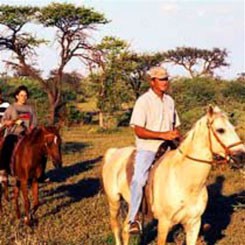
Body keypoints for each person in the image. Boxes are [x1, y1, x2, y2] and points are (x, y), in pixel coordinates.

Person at [128, 66, 181, 233]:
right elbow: (138, 130)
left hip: (169, 147)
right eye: (161, 79)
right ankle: (133, 219)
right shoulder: (143, 101)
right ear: (152, 82)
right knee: (139, 179)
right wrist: (162, 135)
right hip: (148, 148)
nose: (165, 82)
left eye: (166, 79)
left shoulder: (170, 101)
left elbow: (175, 126)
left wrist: (177, 137)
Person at [0, 85, 48, 183]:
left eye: (25, 95)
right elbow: (4, 120)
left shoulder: (30, 108)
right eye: (21, 95)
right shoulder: (12, 107)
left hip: (28, 134)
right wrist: (9, 122)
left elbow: (34, 122)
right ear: (17, 96)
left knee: (43, 148)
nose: (24, 97)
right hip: (15, 133)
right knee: (7, 144)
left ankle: (41, 173)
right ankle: (3, 170)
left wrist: (31, 129)